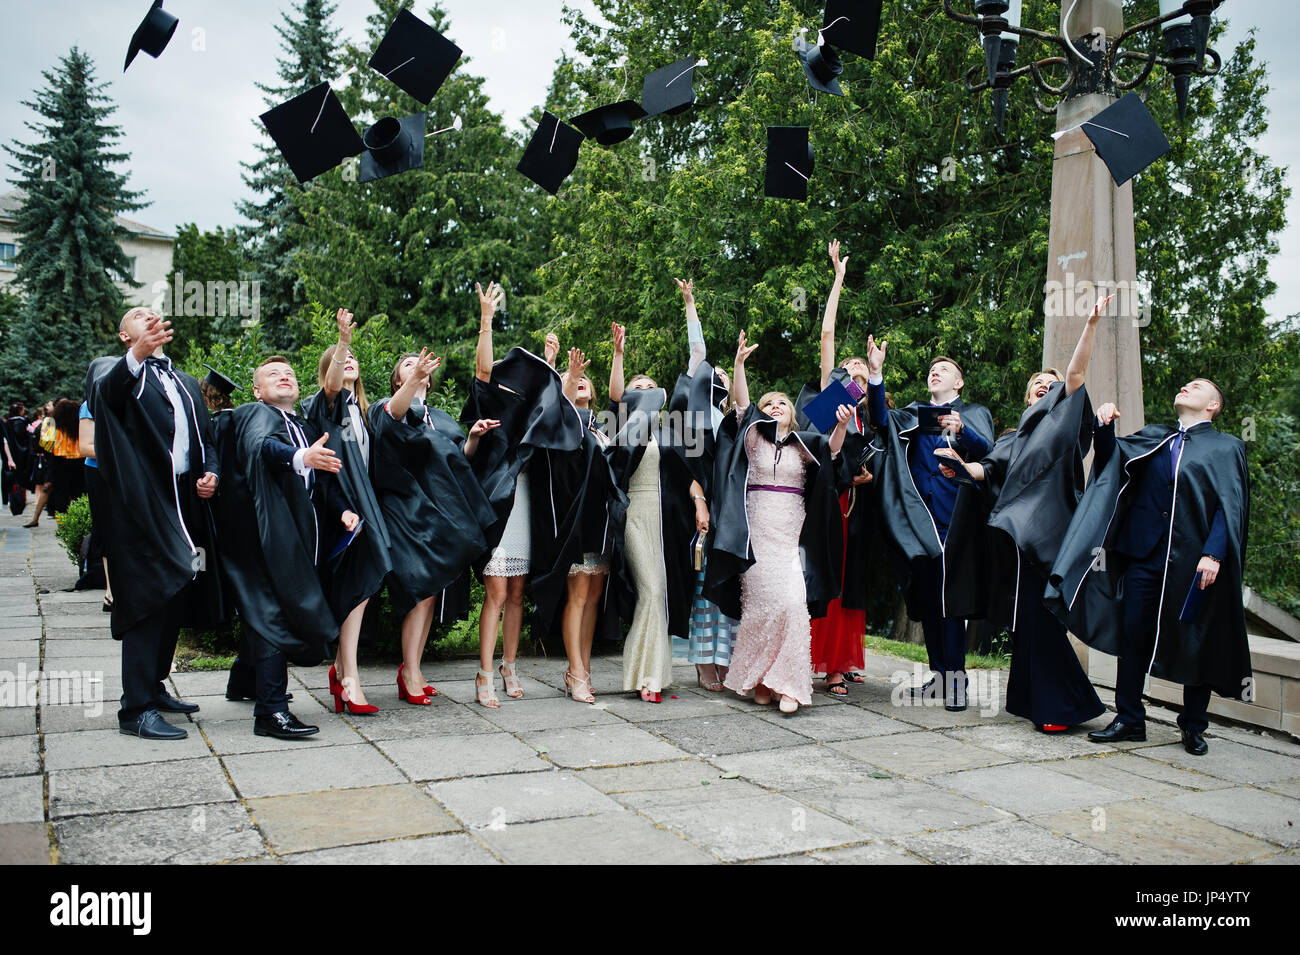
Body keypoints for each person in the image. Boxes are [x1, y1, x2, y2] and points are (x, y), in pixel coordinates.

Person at [936, 295, 1114, 732]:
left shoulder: (1065, 421)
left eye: (1049, 383)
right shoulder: (1016, 434)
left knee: (1041, 618)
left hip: (1051, 536)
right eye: (1036, 382)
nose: (1043, 385)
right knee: (1025, 623)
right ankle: (1038, 703)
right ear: (1027, 395)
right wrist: (962, 467)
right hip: (1014, 543)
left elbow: (1075, 375)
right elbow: (987, 468)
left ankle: (1063, 707)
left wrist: (1089, 324)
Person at [1046, 378, 1250, 756]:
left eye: (1199, 386)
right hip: (1144, 556)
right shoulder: (1155, 436)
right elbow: (1111, 462)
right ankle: (1129, 719)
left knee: (1195, 638)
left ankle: (1193, 725)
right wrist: (1103, 426)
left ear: (1214, 406)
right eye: (1187, 384)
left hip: (1194, 561)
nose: (1187, 387)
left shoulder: (1227, 447)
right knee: (1133, 634)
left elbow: (1230, 504)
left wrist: (1215, 553)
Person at [93, 307, 223, 740]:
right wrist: (136, 359)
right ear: (124, 336)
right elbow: (107, 396)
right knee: (147, 597)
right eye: (136, 315)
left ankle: (155, 686)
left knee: (179, 593)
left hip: (187, 500)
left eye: (153, 313)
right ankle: (136, 709)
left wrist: (211, 474)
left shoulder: (185, 382)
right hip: (143, 504)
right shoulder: (118, 376)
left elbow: (206, 439)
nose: (148, 317)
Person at [706, 331, 851, 714]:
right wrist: (738, 365)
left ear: (792, 412)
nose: (774, 407)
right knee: (759, 607)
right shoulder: (753, 439)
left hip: (791, 535)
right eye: (768, 403)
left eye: (782, 403)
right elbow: (742, 404)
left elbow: (833, 453)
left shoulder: (805, 444)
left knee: (791, 603)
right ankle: (762, 679)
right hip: (755, 532)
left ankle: (790, 684)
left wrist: (840, 424)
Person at [220, 357, 359, 739]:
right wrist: (300, 456)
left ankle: (242, 681)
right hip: (263, 539)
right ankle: (271, 712)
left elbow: (323, 482)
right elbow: (264, 450)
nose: (284, 377)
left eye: (289, 374)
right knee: (272, 616)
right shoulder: (256, 415)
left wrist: (343, 510)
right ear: (257, 390)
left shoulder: (303, 425)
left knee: (266, 612)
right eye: (272, 374)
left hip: (297, 539)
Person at [462, 283, 583, 706]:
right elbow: (481, 373)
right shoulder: (491, 404)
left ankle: (509, 665)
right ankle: (483, 673)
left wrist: (553, 365)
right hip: (500, 500)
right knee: (496, 592)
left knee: (516, 592)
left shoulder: (531, 408)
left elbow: (550, 409)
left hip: (528, 499)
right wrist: (486, 318)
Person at [865, 338, 994, 710]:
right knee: (928, 601)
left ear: (959, 383)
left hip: (957, 519)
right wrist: (875, 374)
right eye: (931, 370)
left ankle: (956, 682)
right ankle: (939, 676)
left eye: (944, 370)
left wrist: (962, 429)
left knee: (950, 601)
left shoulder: (973, 412)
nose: (934, 372)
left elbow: (989, 452)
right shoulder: (913, 413)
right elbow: (880, 421)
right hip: (917, 521)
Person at [371, 349, 499, 705]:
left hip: (440, 515)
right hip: (407, 511)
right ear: (398, 379)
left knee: (429, 594)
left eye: (420, 366)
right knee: (418, 591)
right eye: (408, 365)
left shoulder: (441, 417)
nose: (417, 368)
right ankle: (408, 670)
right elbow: (392, 420)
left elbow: (460, 461)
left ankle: (414, 667)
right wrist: (412, 383)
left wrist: (472, 437)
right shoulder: (389, 405)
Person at [302, 308, 393, 715]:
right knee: (354, 593)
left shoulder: (367, 415)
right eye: (341, 360)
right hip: (338, 511)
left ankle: (342, 669)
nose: (349, 361)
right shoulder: (326, 408)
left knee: (363, 591)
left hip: (366, 509)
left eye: (354, 358)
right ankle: (350, 678)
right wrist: (342, 342)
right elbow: (333, 389)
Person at [797, 240, 877, 696]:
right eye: (848, 368)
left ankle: (845, 659)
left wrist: (867, 476)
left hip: (856, 504)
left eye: (861, 371)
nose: (853, 372)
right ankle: (825, 664)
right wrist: (838, 280)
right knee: (826, 571)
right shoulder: (832, 400)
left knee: (850, 578)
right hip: (827, 500)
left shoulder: (869, 416)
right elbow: (827, 334)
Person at [530, 341, 623, 704]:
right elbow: (552, 412)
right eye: (573, 381)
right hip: (574, 520)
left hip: (602, 523)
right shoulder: (564, 423)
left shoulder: (602, 427)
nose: (580, 382)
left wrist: (617, 356)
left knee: (594, 596)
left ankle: (582, 666)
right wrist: (568, 376)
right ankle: (575, 669)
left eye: (585, 380)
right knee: (578, 595)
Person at [606, 321, 694, 704]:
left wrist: (701, 501)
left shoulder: (670, 431)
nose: (644, 393)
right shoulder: (623, 424)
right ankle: (645, 675)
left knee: (661, 596)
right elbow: (614, 394)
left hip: (665, 519)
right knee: (651, 590)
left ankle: (653, 676)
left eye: (649, 388)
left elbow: (687, 474)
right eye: (636, 389)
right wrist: (619, 355)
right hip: (635, 513)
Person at [670, 278, 739, 692]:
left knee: (729, 580)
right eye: (713, 373)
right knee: (702, 583)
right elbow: (698, 351)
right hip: (702, 500)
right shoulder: (693, 411)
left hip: (733, 506)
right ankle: (703, 661)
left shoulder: (732, 417)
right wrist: (690, 302)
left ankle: (728, 657)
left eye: (724, 374)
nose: (718, 376)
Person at [46, 399, 85, 518]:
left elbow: (45, 445)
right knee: (80, 492)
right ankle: (81, 519)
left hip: (59, 461)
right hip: (80, 460)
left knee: (60, 493)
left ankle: (62, 522)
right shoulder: (80, 422)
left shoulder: (51, 422)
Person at [22, 402, 54, 527]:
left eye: (50, 404)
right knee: (47, 488)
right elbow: (45, 444)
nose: (47, 406)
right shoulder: (49, 421)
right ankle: (36, 518)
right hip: (53, 459)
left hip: (57, 459)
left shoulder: (52, 420)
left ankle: (36, 518)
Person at [2, 401, 29, 516]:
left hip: (9, 454)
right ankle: (17, 498)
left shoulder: (7, 423)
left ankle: (10, 498)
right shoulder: (21, 423)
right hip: (19, 454)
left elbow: (6, 441)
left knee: (9, 477)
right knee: (18, 477)